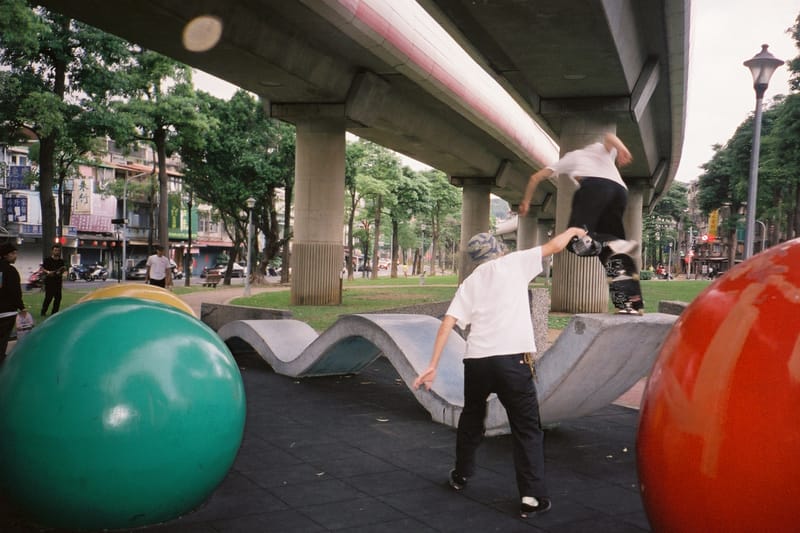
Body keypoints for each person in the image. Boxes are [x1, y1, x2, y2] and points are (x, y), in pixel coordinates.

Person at [413, 227, 587, 519]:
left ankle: (460, 475)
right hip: (512, 362)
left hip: (477, 361)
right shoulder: (514, 263)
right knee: (526, 428)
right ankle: (531, 497)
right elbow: (555, 246)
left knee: (471, 419)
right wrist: (573, 230)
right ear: (499, 249)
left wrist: (432, 365)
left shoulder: (470, 282)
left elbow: (448, 322)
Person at [519, 132, 634, 259]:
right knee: (606, 240)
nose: (578, 180)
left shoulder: (572, 157)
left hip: (595, 186)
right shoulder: (599, 149)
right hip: (620, 192)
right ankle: (618, 262)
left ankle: (604, 245)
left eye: (578, 179)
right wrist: (621, 148)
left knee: (574, 240)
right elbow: (609, 137)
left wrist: (526, 201)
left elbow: (535, 177)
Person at [0, 243, 28, 363]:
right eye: (13, 253)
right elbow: (15, 291)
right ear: (6, 255)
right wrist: (21, 307)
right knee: (2, 339)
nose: (15, 256)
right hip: (7, 311)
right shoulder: (10, 270)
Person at [41, 244, 66, 316]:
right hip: (49, 282)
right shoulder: (47, 260)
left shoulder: (61, 261)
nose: (57, 252)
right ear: (52, 251)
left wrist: (61, 272)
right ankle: (43, 311)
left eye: (58, 251)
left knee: (58, 298)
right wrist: (48, 272)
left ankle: (54, 313)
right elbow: (43, 269)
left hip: (58, 282)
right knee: (48, 298)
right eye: (55, 250)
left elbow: (63, 269)